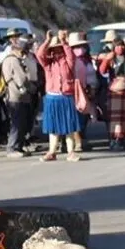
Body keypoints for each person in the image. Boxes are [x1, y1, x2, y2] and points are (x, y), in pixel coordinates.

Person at [36, 30, 81, 162]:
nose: (56, 52)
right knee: (53, 128)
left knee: (69, 127)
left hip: (66, 96)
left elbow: (71, 56)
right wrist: (47, 41)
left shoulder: (68, 62)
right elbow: (39, 55)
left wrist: (64, 42)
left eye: (58, 49)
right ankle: (51, 152)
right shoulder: (48, 64)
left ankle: (71, 152)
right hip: (52, 97)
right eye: (54, 49)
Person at [99, 38, 125, 151]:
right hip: (115, 93)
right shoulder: (111, 59)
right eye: (117, 46)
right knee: (115, 119)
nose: (120, 48)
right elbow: (102, 71)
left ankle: (123, 139)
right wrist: (106, 60)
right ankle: (114, 140)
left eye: (121, 46)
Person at [1, 37, 37, 158]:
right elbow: (21, 78)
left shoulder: (10, 59)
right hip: (16, 95)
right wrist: (31, 87)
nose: (25, 52)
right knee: (17, 123)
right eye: (23, 50)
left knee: (20, 122)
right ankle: (12, 148)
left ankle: (19, 147)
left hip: (15, 95)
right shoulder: (13, 61)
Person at [69, 31, 98, 152]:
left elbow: (91, 75)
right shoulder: (70, 60)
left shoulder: (87, 60)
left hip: (86, 90)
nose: (79, 49)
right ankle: (77, 141)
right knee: (76, 117)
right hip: (74, 91)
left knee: (84, 116)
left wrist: (92, 88)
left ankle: (81, 139)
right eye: (76, 47)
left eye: (81, 46)